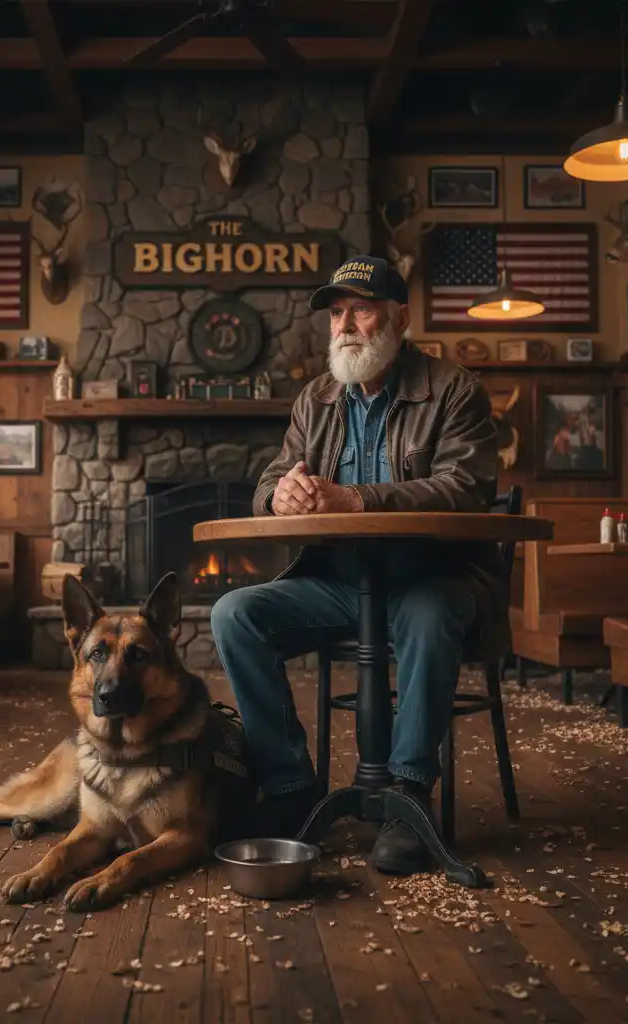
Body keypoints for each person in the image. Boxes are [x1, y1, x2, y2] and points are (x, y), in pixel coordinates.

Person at [209, 255, 507, 876]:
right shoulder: (316, 397)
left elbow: (465, 485)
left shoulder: (453, 388)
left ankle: (405, 797)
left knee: (429, 614)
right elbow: (274, 473)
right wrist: (276, 495)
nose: (346, 325)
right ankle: (291, 785)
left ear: (399, 317)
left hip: (430, 576)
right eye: (337, 313)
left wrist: (361, 498)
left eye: (361, 309)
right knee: (234, 612)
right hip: (337, 583)